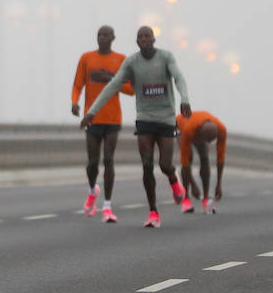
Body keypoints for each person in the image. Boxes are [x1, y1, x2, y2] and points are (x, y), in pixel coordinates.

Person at [81, 26, 191, 228]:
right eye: (140, 37)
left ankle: (174, 181)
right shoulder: (131, 62)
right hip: (145, 118)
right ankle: (153, 212)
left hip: (166, 118)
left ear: (153, 39)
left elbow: (179, 78)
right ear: (137, 42)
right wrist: (91, 112)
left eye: (147, 36)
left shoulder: (166, 57)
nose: (143, 40)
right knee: (147, 165)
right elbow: (112, 86)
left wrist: (184, 99)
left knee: (165, 165)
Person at [71, 25, 136, 222]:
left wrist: (110, 78)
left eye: (106, 35)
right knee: (92, 163)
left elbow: (131, 89)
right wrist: (74, 102)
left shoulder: (121, 60)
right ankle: (92, 191)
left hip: (112, 119)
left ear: (113, 38)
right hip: (93, 118)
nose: (102, 37)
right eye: (100, 34)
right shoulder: (87, 58)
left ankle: (107, 206)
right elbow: (77, 84)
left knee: (108, 160)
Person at [174, 110, 226, 214]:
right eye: (206, 139)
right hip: (180, 127)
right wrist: (193, 184)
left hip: (197, 127)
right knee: (189, 157)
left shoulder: (222, 129)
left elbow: (220, 159)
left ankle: (206, 198)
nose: (208, 143)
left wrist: (219, 184)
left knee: (205, 156)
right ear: (201, 132)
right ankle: (186, 198)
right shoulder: (189, 130)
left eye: (211, 141)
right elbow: (185, 161)